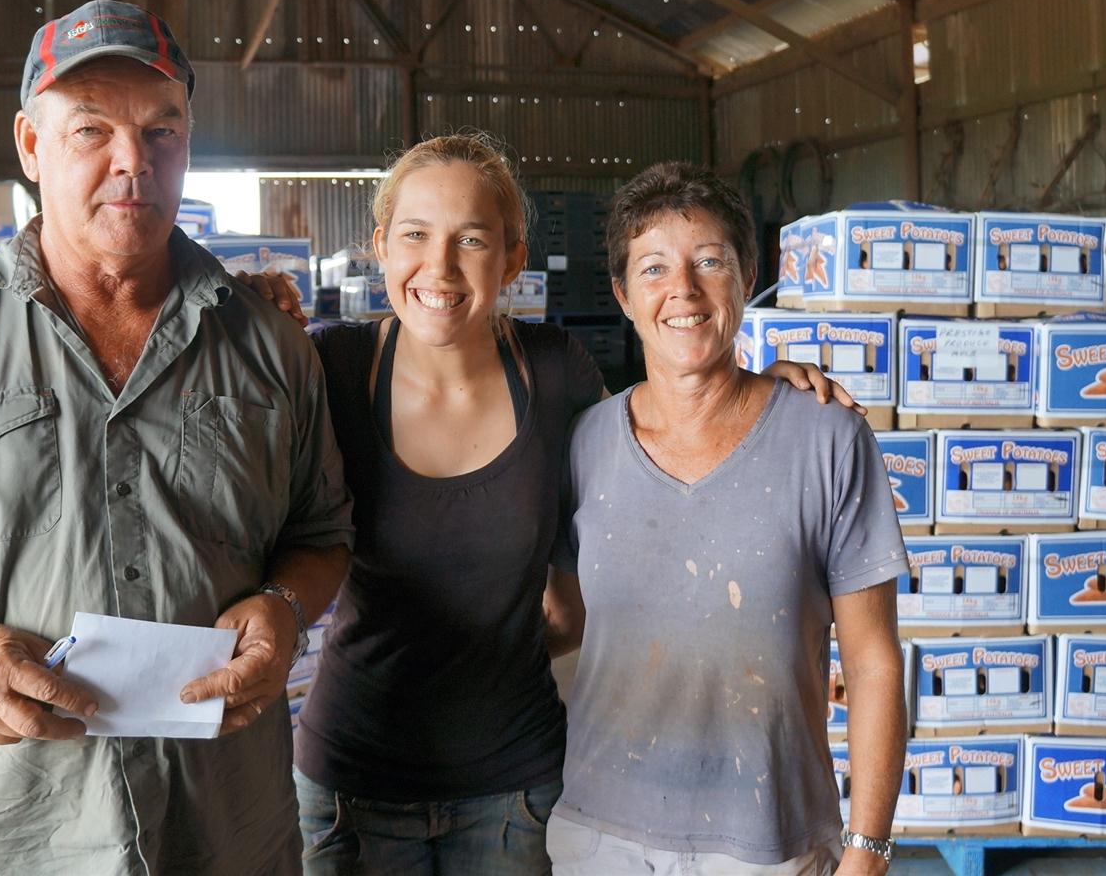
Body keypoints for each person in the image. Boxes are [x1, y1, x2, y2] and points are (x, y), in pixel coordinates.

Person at [0, 0, 353, 876]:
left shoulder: (267, 342)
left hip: (220, 827)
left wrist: (281, 605)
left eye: (164, 130)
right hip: (2, 832)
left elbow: (321, 534)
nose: (133, 162)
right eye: (91, 131)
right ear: (30, 146)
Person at [237, 135, 862, 876]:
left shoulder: (554, 373)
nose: (438, 268)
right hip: (350, 782)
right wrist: (240, 304)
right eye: (414, 235)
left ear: (510, 259)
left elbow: (664, 445)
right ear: (379, 245)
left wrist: (765, 390)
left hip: (514, 791)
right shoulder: (330, 367)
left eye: (470, 240)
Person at [544, 162, 908, 876]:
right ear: (621, 294)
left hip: (769, 839)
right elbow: (560, 618)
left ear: (745, 280)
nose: (682, 289)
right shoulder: (583, 445)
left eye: (709, 261)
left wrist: (867, 850)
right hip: (600, 837)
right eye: (652, 268)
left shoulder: (826, 439)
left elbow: (871, 663)